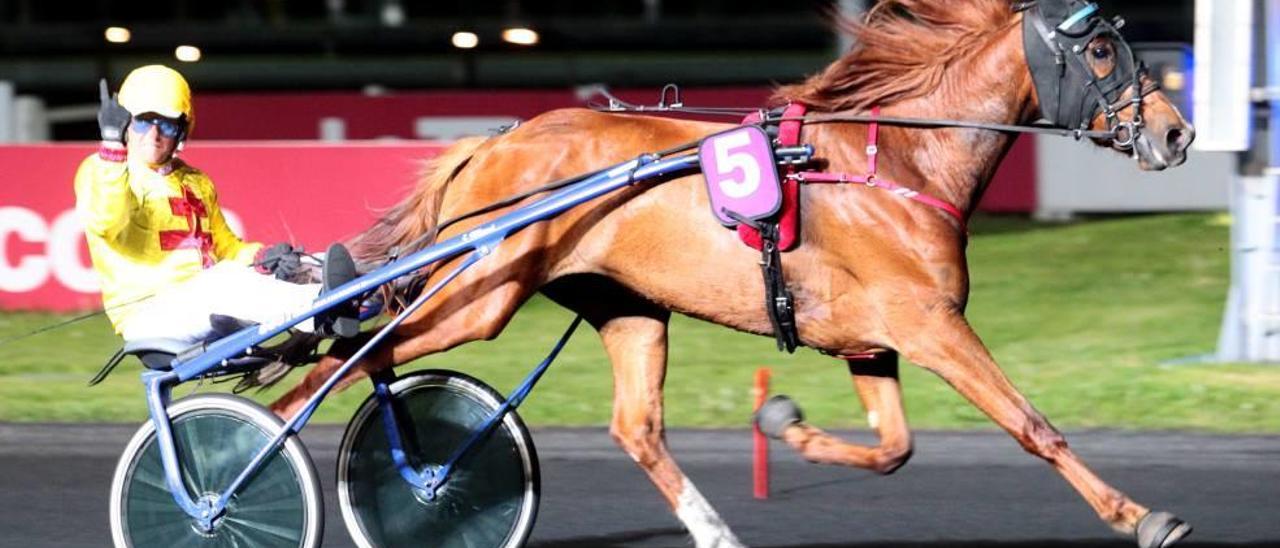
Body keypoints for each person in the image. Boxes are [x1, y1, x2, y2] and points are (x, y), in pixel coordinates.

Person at [74, 64, 356, 345]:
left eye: (167, 124)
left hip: (202, 301)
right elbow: (106, 221)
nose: (154, 134)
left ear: (182, 131)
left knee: (305, 262)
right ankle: (323, 308)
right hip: (148, 317)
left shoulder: (196, 182)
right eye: (143, 121)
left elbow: (226, 248)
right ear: (124, 122)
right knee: (221, 280)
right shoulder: (102, 170)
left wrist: (263, 258)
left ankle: (364, 291)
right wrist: (111, 145)